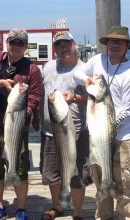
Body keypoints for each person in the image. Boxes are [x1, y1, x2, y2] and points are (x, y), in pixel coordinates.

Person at [73, 26, 130, 220]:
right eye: (112, 41)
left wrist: (107, 127)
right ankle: (104, 217)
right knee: (100, 181)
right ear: (106, 43)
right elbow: (77, 73)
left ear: (127, 45)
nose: (115, 44)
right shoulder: (97, 60)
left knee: (124, 185)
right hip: (98, 136)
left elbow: (129, 110)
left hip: (122, 139)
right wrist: (87, 80)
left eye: (119, 41)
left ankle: (126, 217)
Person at [0, 28, 43, 220]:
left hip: (16, 128)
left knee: (19, 170)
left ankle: (21, 208)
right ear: (7, 43)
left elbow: (36, 96)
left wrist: (25, 111)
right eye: (13, 42)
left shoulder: (32, 69)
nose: (16, 46)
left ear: (25, 46)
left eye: (20, 43)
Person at [40, 31, 92, 220]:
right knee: (52, 173)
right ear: (55, 49)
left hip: (76, 132)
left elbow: (95, 98)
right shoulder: (48, 67)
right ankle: (58, 206)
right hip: (49, 131)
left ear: (74, 45)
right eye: (59, 45)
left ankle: (77, 212)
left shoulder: (85, 70)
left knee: (77, 174)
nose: (63, 49)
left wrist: (76, 98)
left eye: (66, 44)